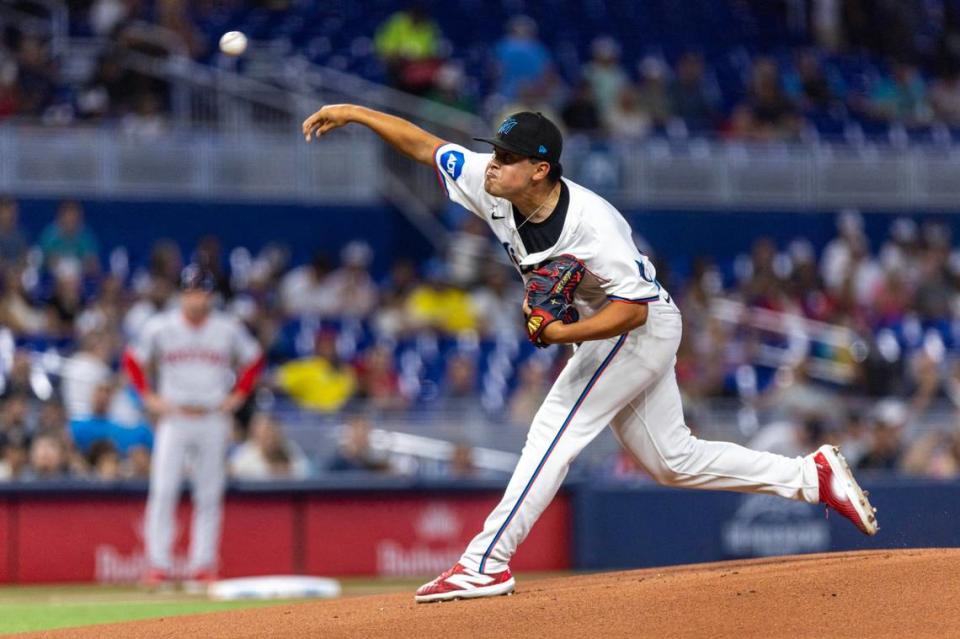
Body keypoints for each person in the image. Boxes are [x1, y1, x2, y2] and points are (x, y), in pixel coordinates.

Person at [301, 104, 878, 604]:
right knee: (670, 461)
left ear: (540, 169)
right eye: (494, 153)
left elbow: (635, 310)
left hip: (634, 327)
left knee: (554, 428)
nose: (492, 163)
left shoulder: (592, 225)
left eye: (506, 156)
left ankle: (484, 562)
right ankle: (810, 475)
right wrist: (354, 112)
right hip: (616, 329)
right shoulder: (490, 181)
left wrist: (559, 337)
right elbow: (425, 145)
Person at [122, 265, 264, 589]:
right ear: (182, 294)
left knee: (209, 494)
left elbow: (255, 360)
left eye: (202, 291)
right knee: (163, 490)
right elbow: (132, 360)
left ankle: (204, 564)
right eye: (191, 291)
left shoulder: (227, 328)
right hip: (175, 415)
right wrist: (148, 397)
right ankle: (158, 564)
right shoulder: (161, 326)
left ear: (211, 295)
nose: (197, 297)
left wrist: (239, 395)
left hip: (213, 415)